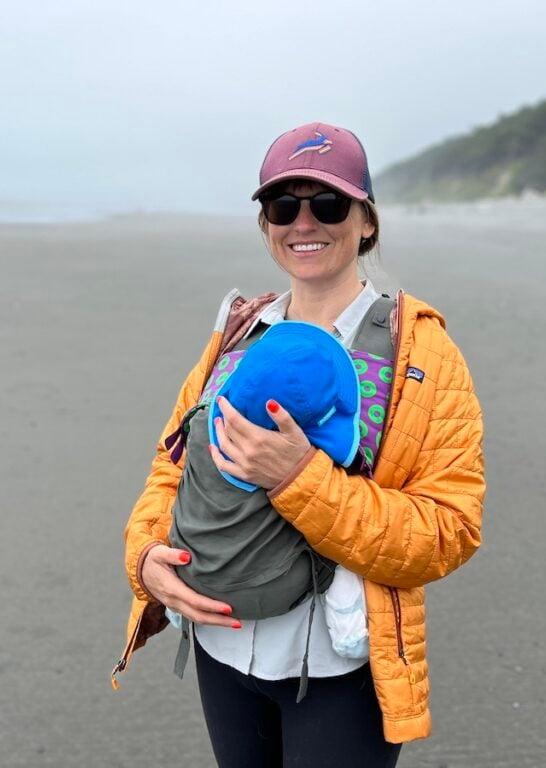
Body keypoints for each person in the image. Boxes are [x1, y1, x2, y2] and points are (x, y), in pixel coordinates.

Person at [115, 121, 486, 767]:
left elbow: (449, 528)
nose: (303, 222)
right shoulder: (238, 334)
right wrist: (145, 560)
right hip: (220, 649)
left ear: (367, 221)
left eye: (329, 203)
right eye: (283, 205)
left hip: (342, 666)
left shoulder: (421, 353)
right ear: (266, 225)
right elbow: (172, 465)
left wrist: (299, 479)